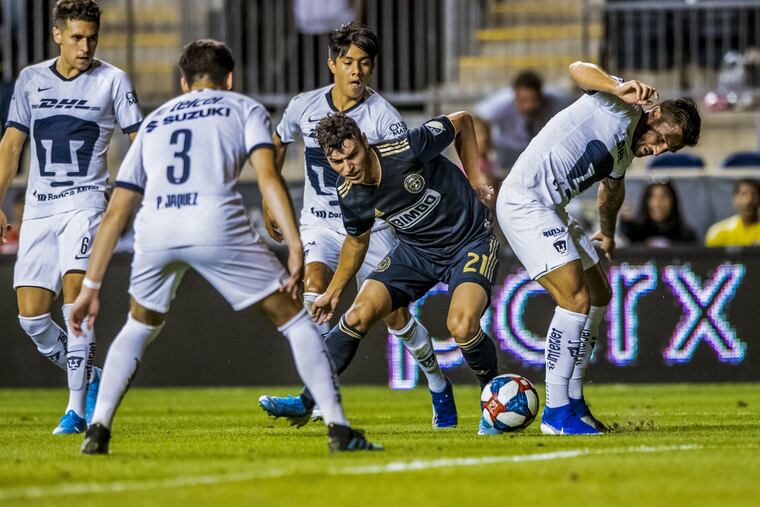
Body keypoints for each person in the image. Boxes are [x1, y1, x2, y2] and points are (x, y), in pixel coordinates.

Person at [69, 39, 381, 454]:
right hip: (214, 219)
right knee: (295, 320)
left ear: (184, 82)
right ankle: (339, 430)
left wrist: (90, 287)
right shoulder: (242, 106)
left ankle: (98, 428)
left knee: (139, 324)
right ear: (228, 78)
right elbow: (268, 178)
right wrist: (294, 245)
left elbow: (117, 210)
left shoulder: (155, 120)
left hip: (156, 226)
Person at [259, 22, 456, 429]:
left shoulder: (384, 117)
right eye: (348, 62)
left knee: (395, 318)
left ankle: (438, 384)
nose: (356, 71)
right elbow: (277, 143)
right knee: (315, 290)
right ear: (331, 63)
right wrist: (267, 198)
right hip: (321, 224)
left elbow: (404, 174)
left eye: (364, 64)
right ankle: (316, 398)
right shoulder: (303, 106)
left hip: (374, 229)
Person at [496, 61, 701, 435]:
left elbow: (612, 190)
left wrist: (607, 232)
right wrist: (615, 85)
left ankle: (573, 401)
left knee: (599, 293)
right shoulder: (620, 103)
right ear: (653, 114)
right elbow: (576, 68)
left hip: (550, 208)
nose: (655, 150)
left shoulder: (625, 151)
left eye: (665, 150)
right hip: (525, 203)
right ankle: (556, 413)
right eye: (661, 140)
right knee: (574, 299)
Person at [297, 111, 501, 435]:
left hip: (469, 242)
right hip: (416, 253)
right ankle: (306, 400)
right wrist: (333, 293)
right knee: (358, 314)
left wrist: (475, 178)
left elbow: (462, 121)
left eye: (353, 155)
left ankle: (494, 398)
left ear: (365, 143)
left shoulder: (407, 148)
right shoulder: (348, 192)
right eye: (338, 162)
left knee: (461, 327)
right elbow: (356, 242)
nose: (349, 167)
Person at [0, 0, 142, 434]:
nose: (85, 46)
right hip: (40, 207)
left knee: (76, 299)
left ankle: (76, 410)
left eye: (92, 38)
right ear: (57, 34)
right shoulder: (30, 80)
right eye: (77, 37)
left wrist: (129, 193)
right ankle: (91, 375)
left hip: (86, 203)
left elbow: (141, 139)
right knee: (31, 318)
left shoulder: (113, 80)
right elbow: (10, 146)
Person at [474, 70, 573, 170]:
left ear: (540, 95)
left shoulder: (557, 101)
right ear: (515, 95)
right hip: (507, 148)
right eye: (523, 101)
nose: (528, 106)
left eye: (533, 100)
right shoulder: (501, 104)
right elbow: (479, 119)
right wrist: (484, 147)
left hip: (538, 149)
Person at [619, 179, 697, 246]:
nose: (658, 203)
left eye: (664, 196)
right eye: (652, 196)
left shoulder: (686, 234)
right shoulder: (635, 233)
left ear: (673, 201)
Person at [705, 178, 760, 247]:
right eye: (743, 194)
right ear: (734, 200)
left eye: (754, 195)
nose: (748, 201)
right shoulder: (718, 232)